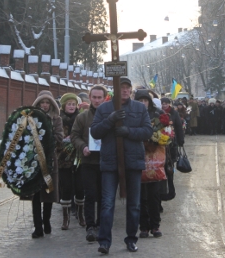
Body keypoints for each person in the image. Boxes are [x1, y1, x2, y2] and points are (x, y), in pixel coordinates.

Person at [91, 77, 153, 254]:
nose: (124, 91)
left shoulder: (139, 108)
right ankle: (104, 241)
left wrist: (129, 132)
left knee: (134, 204)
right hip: (110, 163)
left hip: (133, 162)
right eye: (121, 87)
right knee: (107, 203)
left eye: (127, 88)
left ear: (131, 91)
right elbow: (95, 132)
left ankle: (131, 239)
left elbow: (147, 131)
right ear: (115, 90)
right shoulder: (104, 109)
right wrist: (110, 120)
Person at [71, 84, 108, 242]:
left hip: (106, 162)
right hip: (88, 161)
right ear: (90, 97)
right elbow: (74, 136)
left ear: (104, 98)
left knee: (103, 196)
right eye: (94, 97)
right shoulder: (82, 117)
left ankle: (101, 225)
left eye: (100, 97)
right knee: (90, 194)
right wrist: (83, 146)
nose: (97, 100)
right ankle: (90, 226)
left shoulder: (109, 115)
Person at [30, 90, 64, 238]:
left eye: (47, 103)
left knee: (48, 192)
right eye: (42, 103)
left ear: (51, 104)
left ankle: (46, 220)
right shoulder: (30, 118)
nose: (44, 105)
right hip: (34, 161)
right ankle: (38, 226)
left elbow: (59, 137)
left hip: (50, 160)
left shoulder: (56, 119)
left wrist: (46, 136)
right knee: (36, 195)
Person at [134, 90, 166, 239]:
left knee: (154, 195)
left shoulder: (158, 115)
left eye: (145, 100)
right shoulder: (132, 115)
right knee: (140, 196)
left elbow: (167, 135)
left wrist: (158, 141)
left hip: (154, 160)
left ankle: (155, 225)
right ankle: (144, 227)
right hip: (137, 159)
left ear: (149, 101)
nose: (143, 103)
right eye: (139, 101)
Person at [56, 93, 84, 230]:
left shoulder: (81, 118)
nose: (71, 106)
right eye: (69, 104)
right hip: (64, 158)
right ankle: (65, 218)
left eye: (74, 104)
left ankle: (80, 214)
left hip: (79, 157)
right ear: (64, 106)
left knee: (80, 186)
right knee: (65, 187)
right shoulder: (59, 119)